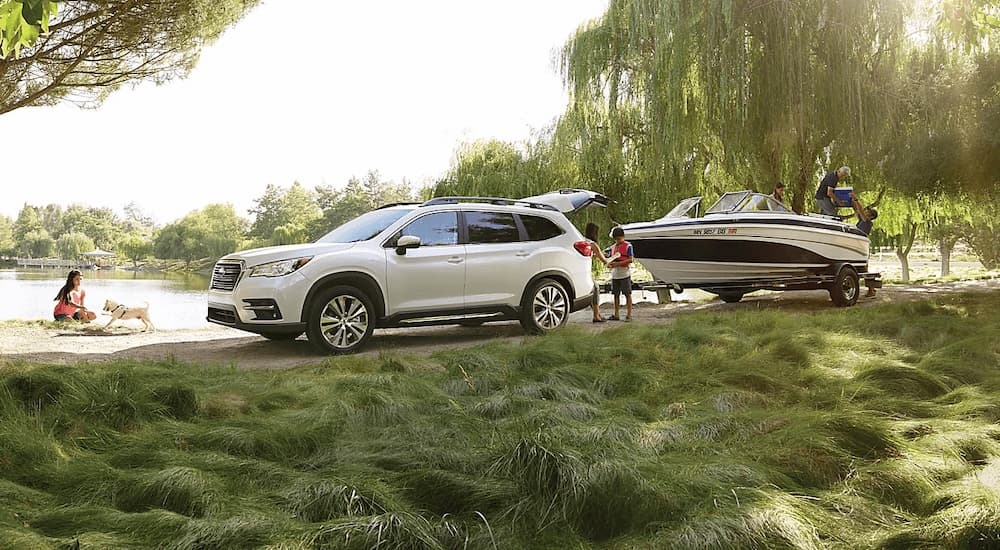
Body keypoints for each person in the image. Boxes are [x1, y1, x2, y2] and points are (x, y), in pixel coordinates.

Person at [849, 192, 880, 298]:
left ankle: (872, 289)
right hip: (858, 245)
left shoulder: (867, 221)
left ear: (870, 216)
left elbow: (861, 211)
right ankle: (871, 289)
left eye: (867, 211)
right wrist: (851, 201)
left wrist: (856, 198)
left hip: (861, 246)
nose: (865, 211)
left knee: (864, 268)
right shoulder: (862, 220)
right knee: (863, 268)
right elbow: (857, 210)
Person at [584, 223, 612, 323]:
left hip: (581, 271)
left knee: (593, 290)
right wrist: (610, 260)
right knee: (595, 289)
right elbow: (604, 260)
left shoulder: (583, 241)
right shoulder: (593, 244)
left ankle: (597, 314)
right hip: (586, 271)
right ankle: (596, 316)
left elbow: (591, 254)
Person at [605, 227, 634, 321]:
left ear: (623, 237)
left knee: (627, 294)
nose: (617, 241)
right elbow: (607, 256)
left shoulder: (628, 246)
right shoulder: (612, 247)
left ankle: (629, 315)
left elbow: (630, 259)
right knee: (615, 294)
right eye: (616, 239)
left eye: (619, 238)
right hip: (615, 275)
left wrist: (618, 264)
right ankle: (616, 314)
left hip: (624, 274)